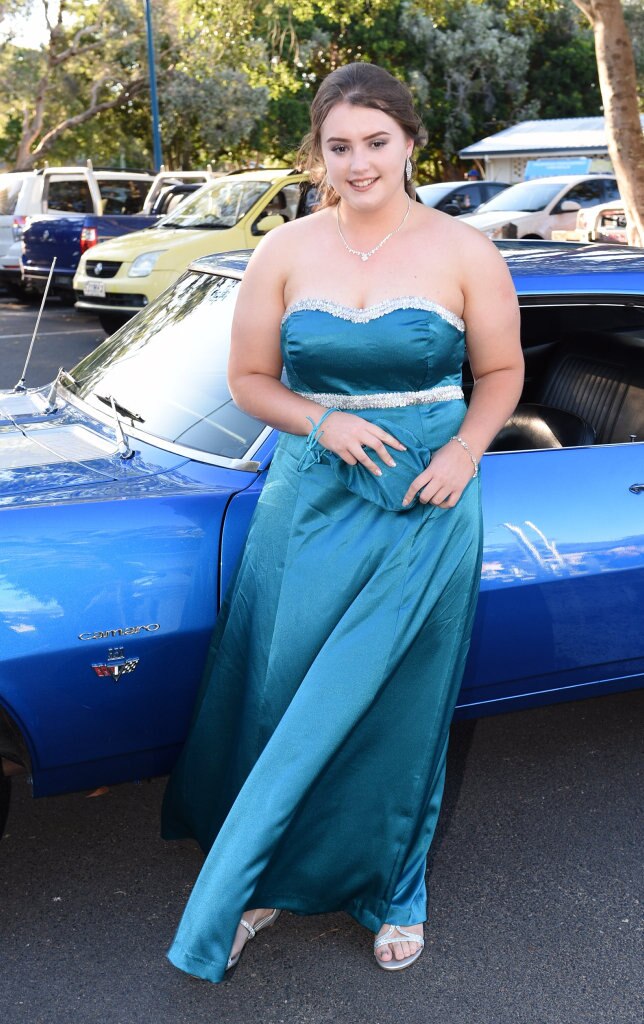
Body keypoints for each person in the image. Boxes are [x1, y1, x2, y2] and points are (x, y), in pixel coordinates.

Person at [162, 61, 524, 982]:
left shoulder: (464, 250)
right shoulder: (284, 251)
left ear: (410, 142)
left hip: (426, 503)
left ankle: (393, 888)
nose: (359, 163)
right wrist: (323, 417)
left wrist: (464, 451)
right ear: (318, 154)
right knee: (283, 689)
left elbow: (502, 374)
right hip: (311, 498)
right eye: (339, 146)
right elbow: (250, 381)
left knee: (401, 706)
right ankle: (261, 879)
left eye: (376, 142)